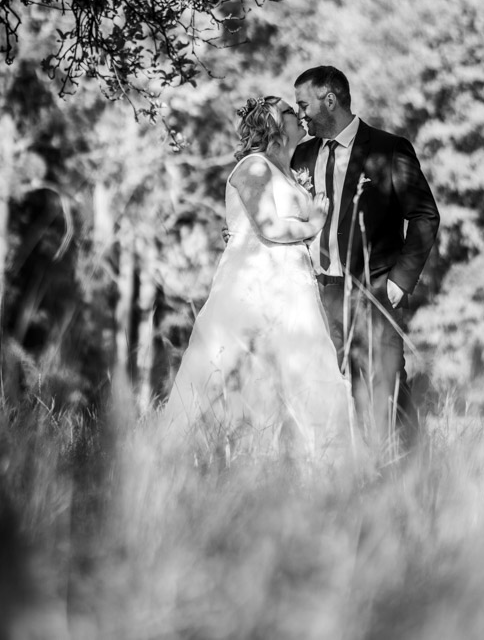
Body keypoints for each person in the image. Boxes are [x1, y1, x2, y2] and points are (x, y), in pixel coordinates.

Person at [163, 96, 355, 463]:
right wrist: (313, 223)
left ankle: (311, 465)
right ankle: (198, 461)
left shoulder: (287, 172)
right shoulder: (253, 165)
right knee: (233, 367)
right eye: (290, 111)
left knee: (302, 369)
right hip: (254, 284)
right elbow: (268, 227)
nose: (299, 114)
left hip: (293, 287)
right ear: (275, 124)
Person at [292, 66, 440, 451]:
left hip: (372, 293)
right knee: (325, 390)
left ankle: (409, 472)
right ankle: (348, 473)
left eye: (303, 105)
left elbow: (424, 216)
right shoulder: (301, 155)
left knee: (384, 389)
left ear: (330, 100)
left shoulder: (389, 149)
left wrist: (400, 280)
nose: (300, 114)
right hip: (317, 295)